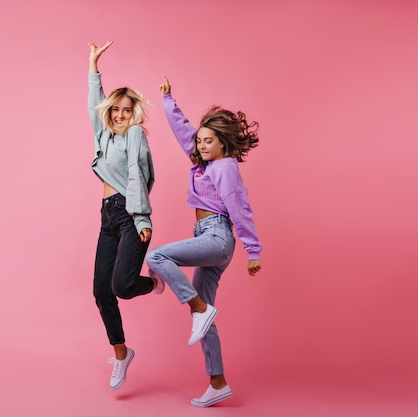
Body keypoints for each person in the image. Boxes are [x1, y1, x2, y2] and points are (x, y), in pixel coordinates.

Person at [146, 76, 263, 407]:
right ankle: (218, 382)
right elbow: (184, 132)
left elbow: (240, 210)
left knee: (157, 257)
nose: (201, 146)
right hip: (208, 237)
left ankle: (196, 307)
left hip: (218, 236)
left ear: (223, 144)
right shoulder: (202, 161)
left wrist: (254, 251)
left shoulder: (224, 168)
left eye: (208, 142)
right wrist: (169, 100)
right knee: (206, 316)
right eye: (200, 142)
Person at [87, 41, 163, 391]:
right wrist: (93, 66)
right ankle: (121, 353)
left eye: (125, 109)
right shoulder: (104, 135)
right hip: (107, 217)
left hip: (130, 213)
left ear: (134, 112)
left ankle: (153, 281)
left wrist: (142, 218)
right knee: (102, 290)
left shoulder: (134, 134)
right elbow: (93, 105)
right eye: (115, 109)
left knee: (123, 286)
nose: (119, 114)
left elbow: (136, 173)